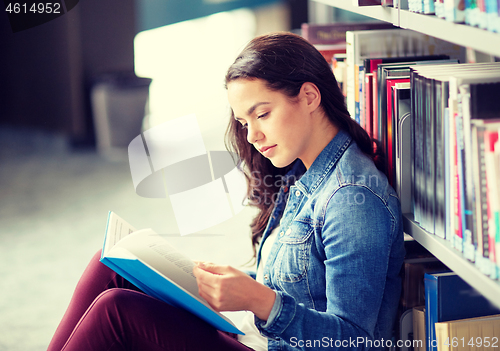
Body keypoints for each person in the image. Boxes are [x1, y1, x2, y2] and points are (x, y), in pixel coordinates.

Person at [48, 32, 405, 351]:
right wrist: (223, 284)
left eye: (262, 114)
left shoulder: (351, 198)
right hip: (255, 333)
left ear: (309, 96)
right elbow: (297, 284)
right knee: (107, 264)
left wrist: (260, 301)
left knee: (117, 311)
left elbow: (357, 341)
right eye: (244, 122)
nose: (252, 137)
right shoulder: (303, 170)